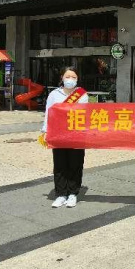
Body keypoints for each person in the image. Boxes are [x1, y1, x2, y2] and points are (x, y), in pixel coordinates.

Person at [41, 66, 88, 208]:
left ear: (77, 79)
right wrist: (45, 131)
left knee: (75, 164)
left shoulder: (82, 94)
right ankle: (61, 194)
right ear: (62, 77)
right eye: (68, 76)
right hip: (59, 134)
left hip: (76, 135)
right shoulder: (54, 95)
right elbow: (48, 114)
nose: (70, 79)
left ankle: (73, 193)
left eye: (74, 77)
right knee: (60, 164)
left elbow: (83, 114)